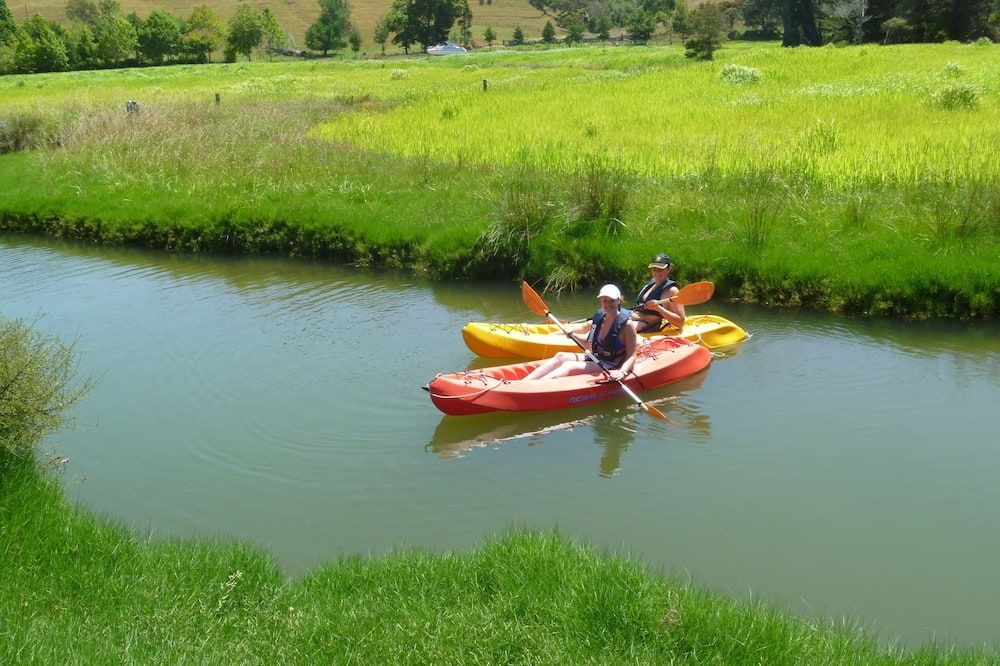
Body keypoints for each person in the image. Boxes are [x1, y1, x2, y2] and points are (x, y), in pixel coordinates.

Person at [524, 284, 638, 381]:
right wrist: (572, 335)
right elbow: (589, 343)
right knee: (560, 356)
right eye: (604, 300)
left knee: (569, 365)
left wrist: (622, 372)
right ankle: (525, 382)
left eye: (611, 300)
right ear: (601, 301)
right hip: (596, 357)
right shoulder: (599, 319)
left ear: (619, 300)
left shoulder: (627, 326)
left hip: (611, 363)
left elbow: (632, 355)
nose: (607, 304)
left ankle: (535, 386)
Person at [631, 253, 685, 333]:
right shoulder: (650, 284)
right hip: (633, 318)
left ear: (669, 269)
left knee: (619, 327)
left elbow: (680, 323)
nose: (657, 272)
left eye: (661, 269)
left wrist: (659, 309)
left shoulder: (672, 291)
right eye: (654, 269)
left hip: (647, 326)